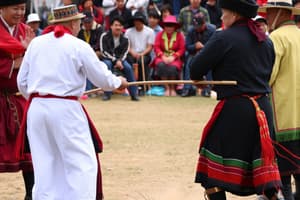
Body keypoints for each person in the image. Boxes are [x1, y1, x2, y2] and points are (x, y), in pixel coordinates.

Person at [17, 4, 128, 200]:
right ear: (72, 23)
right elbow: (102, 78)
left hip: (36, 108)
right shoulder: (77, 45)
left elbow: (22, 82)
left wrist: (40, 98)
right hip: (65, 108)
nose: (80, 25)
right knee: (81, 163)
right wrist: (118, 82)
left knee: (44, 165)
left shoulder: (36, 43)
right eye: (78, 21)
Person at [190, 0, 282, 199]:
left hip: (235, 110)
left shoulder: (223, 38)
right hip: (263, 111)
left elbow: (195, 69)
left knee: (211, 174)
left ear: (234, 14)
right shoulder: (265, 41)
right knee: (266, 178)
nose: (221, 17)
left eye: (223, 13)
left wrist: (201, 80)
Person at [259, 0, 300, 199]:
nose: (266, 16)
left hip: (283, 118)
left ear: (280, 12)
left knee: (283, 178)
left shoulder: (275, 38)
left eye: (270, 12)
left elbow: (268, 75)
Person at [0, 1, 35, 200]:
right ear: (1, 8)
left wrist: (30, 53)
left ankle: (31, 193)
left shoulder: (25, 30)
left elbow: (36, 59)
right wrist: (18, 60)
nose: (20, 13)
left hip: (20, 101)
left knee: (30, 149)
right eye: (15, 8)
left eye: (22, 8)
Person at [100, 15, 139, 101]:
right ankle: (107, 93)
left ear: (122, 27)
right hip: (108, 59)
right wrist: (115, 60)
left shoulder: (126, 39)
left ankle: (134, 94)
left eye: (120, 25)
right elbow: (103, 51)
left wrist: (120, 61)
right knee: (107, 65)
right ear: (111, 26)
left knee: (128, 68)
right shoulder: (104, 36)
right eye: (116, 25)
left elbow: (125, 53)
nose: (118, 27)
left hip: (121, 60)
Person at [181, 12, 216, 97]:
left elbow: (215, 46)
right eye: (196, 26)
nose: (197, 28)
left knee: (209, 64)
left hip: (208, 54)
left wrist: (204, 49)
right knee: (189, 62)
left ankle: (208, 89)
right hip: (194, 54)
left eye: (199, 26)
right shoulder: (191, 30)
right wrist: (195, 46)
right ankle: (187, 89)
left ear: (204, 24)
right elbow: (187, 46)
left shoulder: (212, 30)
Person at [152, 15, 185, 96]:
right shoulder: (159, 35)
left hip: (175, 58)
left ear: (175, 27)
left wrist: (173, 57)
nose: (169, 27)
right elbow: (156, 47)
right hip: (161, 57)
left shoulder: (179, 36)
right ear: (164, 26)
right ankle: (167, 88)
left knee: (173, 68)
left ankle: (172, 88)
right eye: (167, 25)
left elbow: (182, 49)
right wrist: (162, 56)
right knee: (161, 65)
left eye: (171, 25)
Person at [125, 11, 155, 95]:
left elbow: (150, 47)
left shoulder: (150, 31)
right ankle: (130, 87)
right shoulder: (128, 31)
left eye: (139, 20)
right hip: (131, 53)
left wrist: (142, 54)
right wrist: (133, 52)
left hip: (145, 54)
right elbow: (127, 46)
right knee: (128, 62)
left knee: (141, 61)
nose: (137, 22)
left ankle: (143, 86)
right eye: (136, 20)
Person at [78, 11, 103, 94]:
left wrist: (90, 52)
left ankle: (97, 88)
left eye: (89, 22)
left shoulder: (99, 28)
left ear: (92, 21)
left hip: (97, 52)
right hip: (83, 53)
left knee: (90, 59)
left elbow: (99, 44)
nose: (87, 24)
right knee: (83, 61)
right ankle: (87, 90)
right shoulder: (80, 30)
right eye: (85, 22)